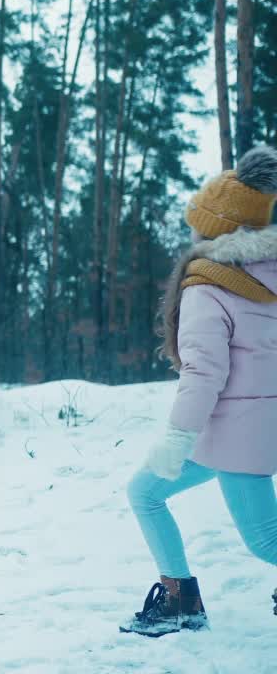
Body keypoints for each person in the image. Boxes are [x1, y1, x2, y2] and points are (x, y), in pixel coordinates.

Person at [121, 144, 277, 637]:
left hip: (235, 439)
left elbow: (203, 374)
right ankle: (179, 597)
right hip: (239, 432)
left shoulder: (208, 285)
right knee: (145, 491)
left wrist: (174, 440)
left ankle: (181, 602)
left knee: (267, 541)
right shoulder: (268, 273)